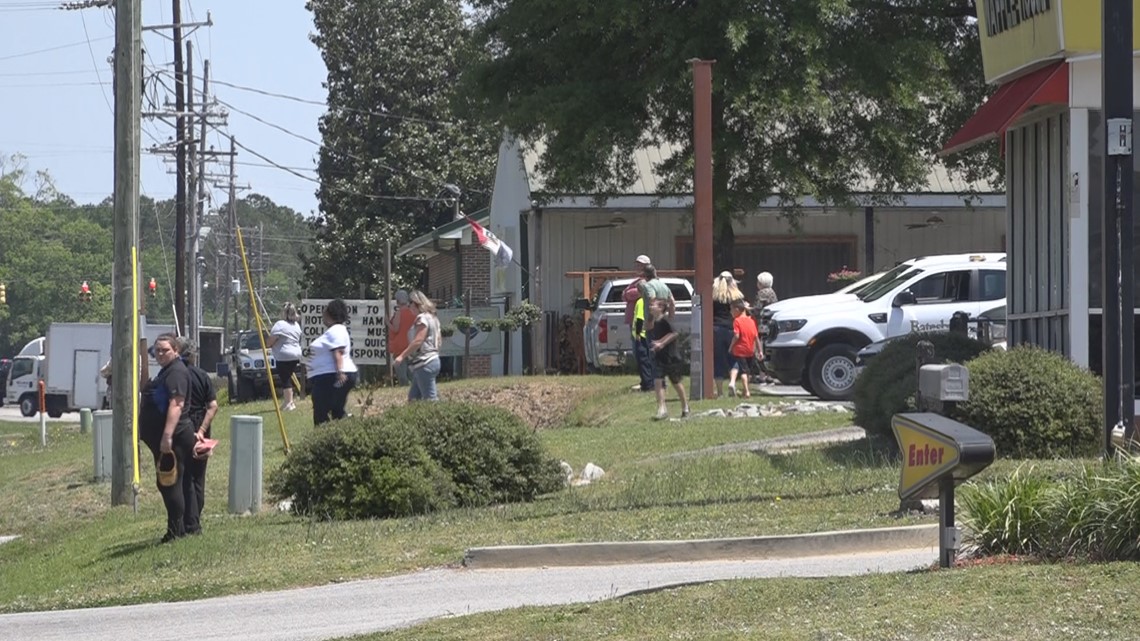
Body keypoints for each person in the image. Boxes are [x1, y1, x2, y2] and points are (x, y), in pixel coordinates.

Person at [138, 333, 197, 543]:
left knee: (170, 483)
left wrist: (167, 436)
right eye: (158, 350)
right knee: (167, 483)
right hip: (164, 438)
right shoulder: (166, 371)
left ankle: (175, 532)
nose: (161, 354)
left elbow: (177, 404)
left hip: (176, 437)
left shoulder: (177, 373)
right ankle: (177, 529)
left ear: (176, 351)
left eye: (165, 350)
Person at [177, 337, 218, 536]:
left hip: (182, 425)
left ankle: (191, 525)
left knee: (186, 476)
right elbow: (213, 406)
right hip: (202, 424)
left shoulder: (176, 375)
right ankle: (196, 518)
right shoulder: (202, 375)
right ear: (193, 355)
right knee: (199, 476)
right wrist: (202, 430)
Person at [307, 298, 359, 425]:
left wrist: (339, 372)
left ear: (330, 314)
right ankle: (345, 431)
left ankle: (322, 438)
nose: (322, 315)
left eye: (325, 312)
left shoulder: (336, 330)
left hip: (330, 376)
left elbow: (338, 351)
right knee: (336, 411)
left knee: (321, 412)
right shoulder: (336, 330)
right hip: (328, 375)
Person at [395, 290, 441, 402]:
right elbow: (439, 340)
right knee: (413, 399)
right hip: (433, 360)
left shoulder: (422, 318)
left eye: (410, 303)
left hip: (425, 363)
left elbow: (418, 340)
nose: (409, 306)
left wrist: (401, 356)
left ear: (416, 304)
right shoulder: (433, 318)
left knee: (430, 400)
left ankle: (441, 417)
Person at [647, 299, 690, 420]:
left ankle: (685, 407)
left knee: (676, 382)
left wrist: (661, 343)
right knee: (657, 380)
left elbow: (674, 334)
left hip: (671, 357)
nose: (650, 307)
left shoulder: (665, 320)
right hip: (659, 356)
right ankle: (662, 409)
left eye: (652, 305)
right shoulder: (655, 321)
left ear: (661, 308)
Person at [712, 271, 745, 398]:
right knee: (733, 357)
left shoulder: (714, 295)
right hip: (732, 328)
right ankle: (732, 382)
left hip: (716, 328)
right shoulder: (736, 296)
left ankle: (720, 391)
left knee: (718, 359)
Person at [265, 302, 303, 411]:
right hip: (296, 354)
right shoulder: (296, 325)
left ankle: (288, 403)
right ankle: (289, 401)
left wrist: (268, 344)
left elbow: (272, 340)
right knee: (288, 376)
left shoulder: (280, 324)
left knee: (285, 378)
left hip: (283, 355)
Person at [624, 254, 653, 392]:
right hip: (635, 321)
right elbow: (624, 294)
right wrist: (628, 293)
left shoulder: (646, 281)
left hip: (642, 321)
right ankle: (645, 381)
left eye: (640, 265)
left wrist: (629, 293)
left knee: (643, 352)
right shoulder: (636, 281)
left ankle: (648, 382)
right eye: (637, 264)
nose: (637, 267)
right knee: (638, 352)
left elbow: (634, 293)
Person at [727, 299, 760, 398]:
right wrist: (760, 350)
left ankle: (746, 391)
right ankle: (745, 391)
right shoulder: (751, 320)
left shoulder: (737, 321)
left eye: (731, 310)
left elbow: (736, 336)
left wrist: (731, 346)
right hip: (750, 350)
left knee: (743, 372)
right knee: (748, 371)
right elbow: (756, 337)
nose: (730, 312)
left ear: (737, 310)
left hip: (740, 350)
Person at [754, 272, 779, 384]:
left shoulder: (761, 293)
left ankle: (762, 375)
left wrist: (747, 307)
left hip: (762, 325)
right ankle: (770, 375)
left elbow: (757, 309)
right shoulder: (773, 293)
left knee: (760, 350)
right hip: (771, 325)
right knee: (768, 351)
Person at [388, 289, 417, 386]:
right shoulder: (413, 313)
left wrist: (387, 323)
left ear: (398, 301)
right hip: (411, 347)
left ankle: (404, 389)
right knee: (412, 373)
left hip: (399, 348)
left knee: (402, 376)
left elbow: (395, 329)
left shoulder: (399, 313)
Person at [638, 263, 675, 332]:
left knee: (652, 342)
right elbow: (672, 302)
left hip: (653, 324)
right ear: (655, 273)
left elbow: (652, 300)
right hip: (664, 321)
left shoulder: (648, 285)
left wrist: (650, 320)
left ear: (645, 275)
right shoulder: (664, 285)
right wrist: (670, 318)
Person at [632, 295, 657, 392]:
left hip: (642, 336)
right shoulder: (650, 302)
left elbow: (640, 319)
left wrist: (638, 333)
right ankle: (647, 382)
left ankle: (648, 385)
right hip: (648, 334)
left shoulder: (641, 301)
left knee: (643, 360)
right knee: (648, 360)